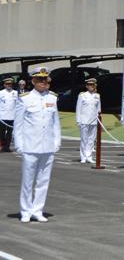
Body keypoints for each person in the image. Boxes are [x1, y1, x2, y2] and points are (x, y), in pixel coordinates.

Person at [13, 67, 60, 223]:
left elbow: (55, 123)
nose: (43, 82)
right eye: (39, 79)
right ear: (33, 81)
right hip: (30, 146)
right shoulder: (25, 98)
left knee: (43, 181)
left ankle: (37, 210)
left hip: (47, 146)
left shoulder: (52, 98)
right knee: (28, 181)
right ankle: (25, 211)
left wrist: (56, 142)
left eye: (45, 79)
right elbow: (18, 124)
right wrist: (19, 144)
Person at [75, 78, 101, 164]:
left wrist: (98, 119)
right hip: (84, 120)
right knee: (84, 139)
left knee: (91, 140)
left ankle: (89, 156)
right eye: (89, 85)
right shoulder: (82, 95)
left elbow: (98, 109)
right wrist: (78, 120)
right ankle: (83, 157)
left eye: (92, 85)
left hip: (93, 120)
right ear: (86, 86)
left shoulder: (97, 96)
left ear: (95, 86)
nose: (91, 86)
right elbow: (78, 109)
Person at [0, 78, 18, 152]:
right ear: (4, 85)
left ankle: (7, 147)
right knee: (1, 132)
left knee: (9, 133)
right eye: (7, 84)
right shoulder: (1, 92)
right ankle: (3, 145)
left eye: (10, 84)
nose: (8, 85)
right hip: (2, 116)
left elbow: (17, 104)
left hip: (12, 115)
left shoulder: (15, 92)